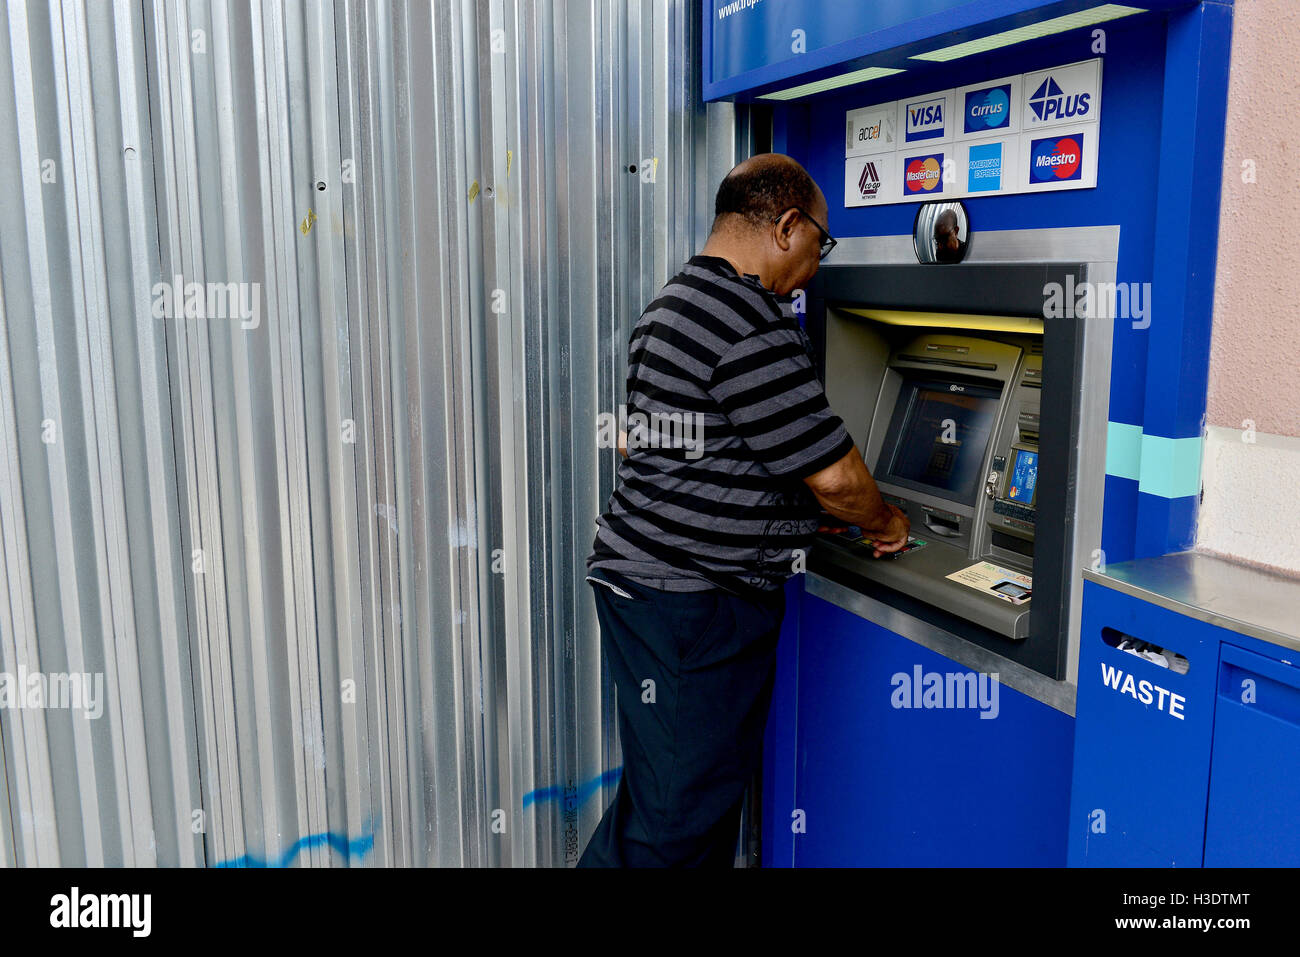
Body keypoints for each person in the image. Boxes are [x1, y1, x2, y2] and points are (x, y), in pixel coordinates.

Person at [579, 153, 909, 867]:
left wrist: (772, 506)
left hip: (644, 589)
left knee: (664, 799)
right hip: (693, 608)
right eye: (822, 245)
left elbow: (648, 446)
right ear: (788, 227)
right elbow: (838, 478)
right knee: (676, 826)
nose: (817, 266)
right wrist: (888, 523)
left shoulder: (670, 304)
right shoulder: (748, 319)